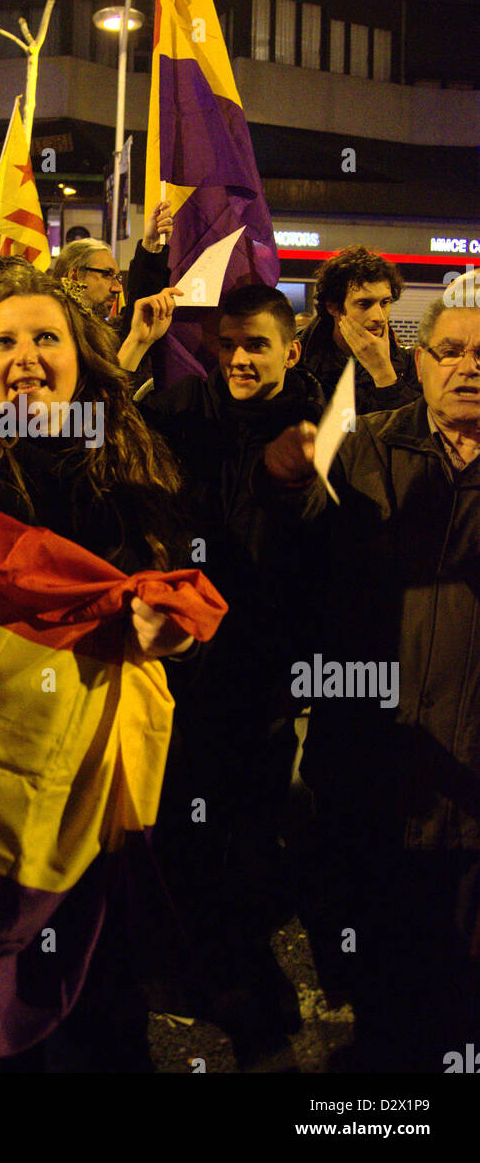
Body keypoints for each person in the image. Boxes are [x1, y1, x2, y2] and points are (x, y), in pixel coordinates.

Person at [0, 263, 209, 1070]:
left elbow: (183, 588)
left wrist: (171, 632)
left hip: (92, 777)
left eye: (44, 337)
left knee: (94, 993)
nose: (23, 355)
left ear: (80, 356)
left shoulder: (134, 460)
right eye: (3, 341)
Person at [261, 293, 480, 1071]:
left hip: (469, 778)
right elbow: (293, 573)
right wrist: (283, 484)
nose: (466, 367)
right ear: (419, 364)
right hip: (375, 774)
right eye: (449, 350)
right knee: (384, 987)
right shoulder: (361, 449)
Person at [139, 284, 325, 1061]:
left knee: (253, 822)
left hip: (271, 660)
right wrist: (131, 342)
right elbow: (110, 444)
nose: (240, 358)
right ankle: (188, 973)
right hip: (187, 656)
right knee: (183, 817)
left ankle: (249, 976)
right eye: (228, 345)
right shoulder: (182, 409)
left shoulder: (326, 425)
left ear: (290, 347)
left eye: (256, 344)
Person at [296, 245, 419, 412]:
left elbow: (414, 432)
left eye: (385, 303)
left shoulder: (410, 363)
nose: (379, 317)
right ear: (333, 307)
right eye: (364, 304)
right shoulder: (296, 359)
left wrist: (384, 374)